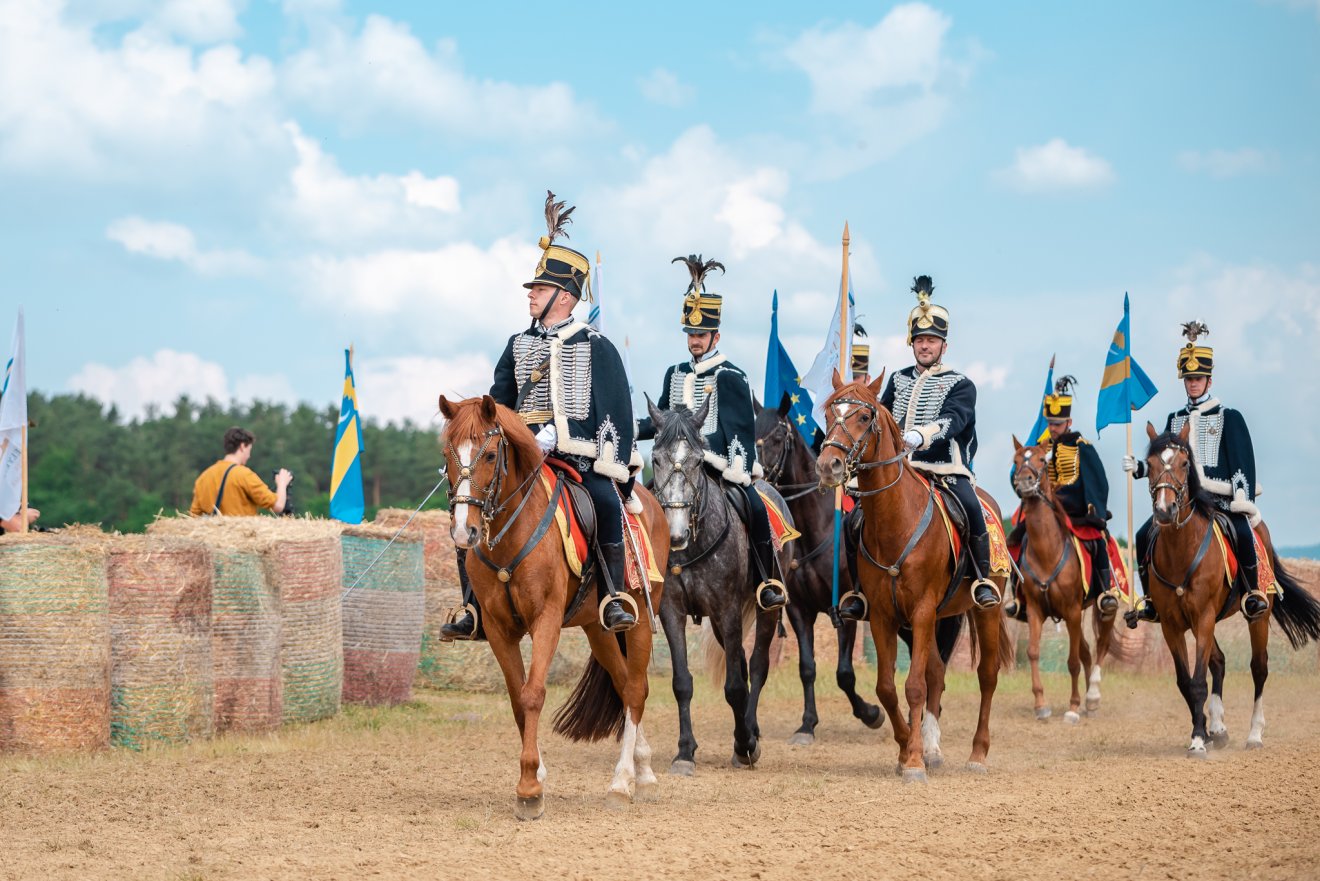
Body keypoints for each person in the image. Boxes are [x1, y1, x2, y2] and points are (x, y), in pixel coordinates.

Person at [441, 191, 639, 640]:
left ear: (567, 297)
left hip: (575, 458)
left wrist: (561, 438)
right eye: (533, 289)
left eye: (542, 290)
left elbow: (613, 413)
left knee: (605, 503)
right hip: (518, 458)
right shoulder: (517, 344)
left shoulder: (596, 347)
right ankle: (471, 607)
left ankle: (611, 596)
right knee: (466, 509)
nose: (532, 296)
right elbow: (498, 403)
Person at [635, 254, 788, 612]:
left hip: (720, 466)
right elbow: (662, 420)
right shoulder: (674, 373)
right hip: (677, 466)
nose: (695, 341)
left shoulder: (731, 376)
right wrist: (632, 431)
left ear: (715, 335)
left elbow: (739, 432)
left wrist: (733, 466)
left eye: (701, 334)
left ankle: (767, 578)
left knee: (753, 504)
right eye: (690, 334)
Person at [841, 275, 999, 618]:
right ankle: (858, 592)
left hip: (944, 470)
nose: (925, 346)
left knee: (973, 511)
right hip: (900, 470)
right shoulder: (897, 379)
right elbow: (877, 424)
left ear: (944, 345)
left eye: (932, 340)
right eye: (920, 340)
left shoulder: (961, 384)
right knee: (853, 520)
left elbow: (954, 421)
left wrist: (920, 435)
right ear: (911, 343)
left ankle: (982, 580)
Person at [1122, 321, 1267, 625]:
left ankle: (1252, 593)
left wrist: (1241, 497)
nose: (1193, 384)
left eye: (1198, 378)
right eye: (1188, 379)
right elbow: (1163, 463)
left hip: (1220, 501)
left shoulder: (1229, 417)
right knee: (1142, 533)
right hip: (1183, 502)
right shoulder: (1174, 419)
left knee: (1241, 532)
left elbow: (1243, 464)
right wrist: (1139, 468)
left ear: (1209, 381)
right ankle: (1150, 600)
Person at [1005, 376, 1119, 618]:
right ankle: (1017, 595)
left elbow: (1096, 481)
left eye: (1058, 423)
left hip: (1076, 510)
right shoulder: (1039, 450)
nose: (1053, 428)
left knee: (1097, 542)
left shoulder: (1081, 446)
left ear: (1069, 421)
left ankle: (1104, 592)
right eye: (1050, 423)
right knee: (1018, 538)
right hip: (1046, 509)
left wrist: (1093, 510)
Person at [189, 427, 292, 516]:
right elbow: (278, 505)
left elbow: (193, 517)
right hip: (241, 537)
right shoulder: (244, 475)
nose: (249, 456)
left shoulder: (203, 478)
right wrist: (282, 483)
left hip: (214, 537)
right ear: (242, 446)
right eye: (249, 450)